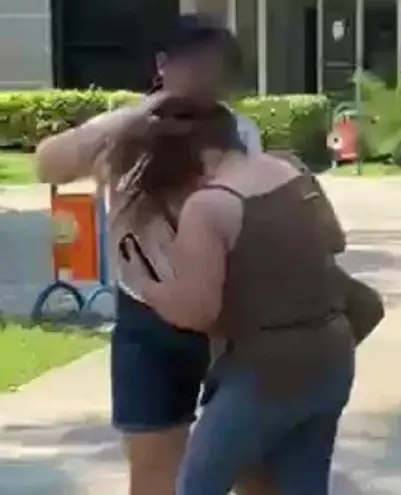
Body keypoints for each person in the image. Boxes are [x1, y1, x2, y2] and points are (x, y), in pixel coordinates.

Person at [33, 14, 264, 495]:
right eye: (194, 65)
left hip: (225, 314)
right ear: (163, 64)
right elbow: (48, 164)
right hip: (146, 318)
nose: (206, 79)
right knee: (154, 467)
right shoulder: (125, 129)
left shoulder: (239, 132)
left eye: (218, 68)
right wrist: (130, 117)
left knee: (246, 462)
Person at [117, 98, 355, 495]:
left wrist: (146, 285)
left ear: (199, 160)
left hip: (265, 371)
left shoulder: (209, 205)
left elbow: (197, 311)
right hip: (332, 354)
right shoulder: (288, 168)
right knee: (304, 485)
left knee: (197, 484)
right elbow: (335, 240)